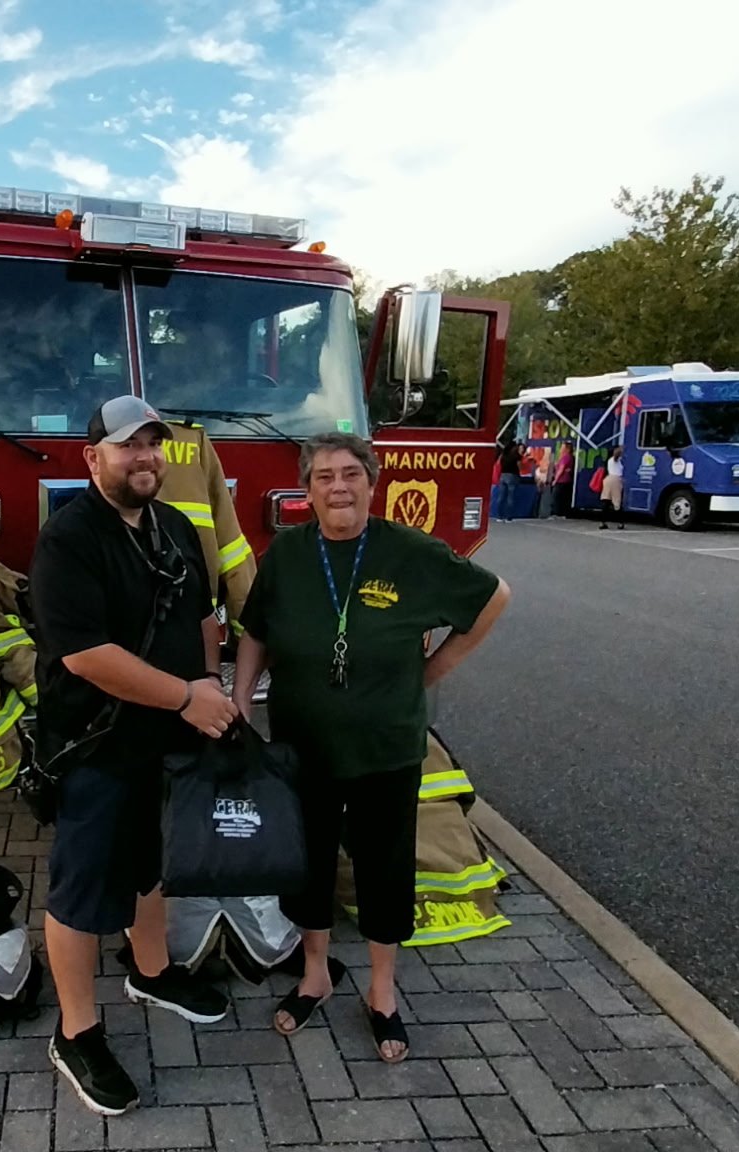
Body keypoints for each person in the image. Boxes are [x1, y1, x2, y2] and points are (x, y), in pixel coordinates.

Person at [232, 432, 510, 1063]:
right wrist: (244, 701)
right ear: (307, 491)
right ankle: (316, 975)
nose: (338, 486)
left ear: (371, 482)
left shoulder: (409, 552)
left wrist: (433, 669)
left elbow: (494, 598)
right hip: (304, 746)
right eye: (325, 476)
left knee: (385, 872)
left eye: (351, 474)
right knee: (309, 869)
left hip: (387, 749)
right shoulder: (287, 553)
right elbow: (256, 631)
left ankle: (383, 993)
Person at [29, 394, 238, 1116]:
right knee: (83, 890)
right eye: (128, 446)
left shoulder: (175, 526)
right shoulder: (69, 539)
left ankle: (151, 970)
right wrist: (185, 699)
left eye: (153, 444)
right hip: (95, 745)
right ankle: (76, 1030)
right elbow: (86, 656)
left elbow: (204, 618)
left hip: (164, 742)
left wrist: (208, 681)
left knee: (151, 861)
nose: (144, 457)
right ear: (93, 459)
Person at [493, 437, 522, 522]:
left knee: (501, 496)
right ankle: (508, 516)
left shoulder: (503, 455)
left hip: (503, 475)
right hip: (512, 475)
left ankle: (499, 516)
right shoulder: (516, 455)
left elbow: (499, 464)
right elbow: (519, 466)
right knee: (510, 497)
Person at [599, 445, 626, 529]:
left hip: (608, 479)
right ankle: (620, 522)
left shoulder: (609, 461)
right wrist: (621, 448)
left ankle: (602, 522)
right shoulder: (615, 460)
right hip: (616, 480)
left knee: (605, 501)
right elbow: (617, 454)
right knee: (617, 502)